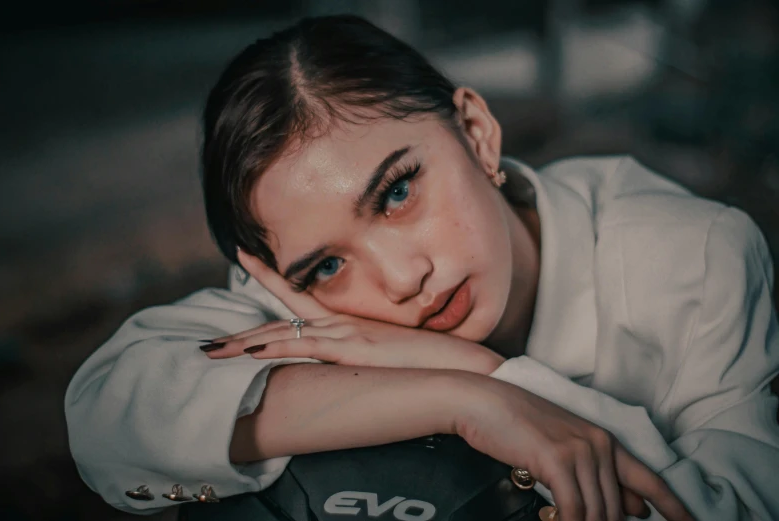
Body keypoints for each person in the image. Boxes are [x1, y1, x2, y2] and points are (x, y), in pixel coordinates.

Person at [65, 15, 779, 521]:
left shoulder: (697, 259)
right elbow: (107, 412)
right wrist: (465, 399)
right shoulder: (300, 295)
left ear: (477, 133)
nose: (400, 278)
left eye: (398, 191)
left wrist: (497, 376)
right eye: (326, 267)